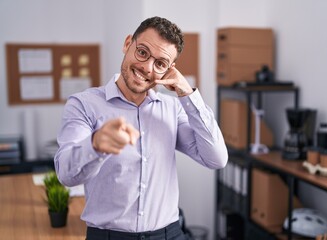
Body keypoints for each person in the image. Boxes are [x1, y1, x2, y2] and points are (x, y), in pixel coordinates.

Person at [54, 16, 228, 240]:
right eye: (143, 52)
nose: (147, 68)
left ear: (168, 69)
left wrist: (188, 94)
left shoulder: (172, 109)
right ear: (128, 43)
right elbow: (66, 175)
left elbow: (216, 158)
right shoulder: (84, 104)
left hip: (169, 234)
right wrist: (95, 144)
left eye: (160, 63)